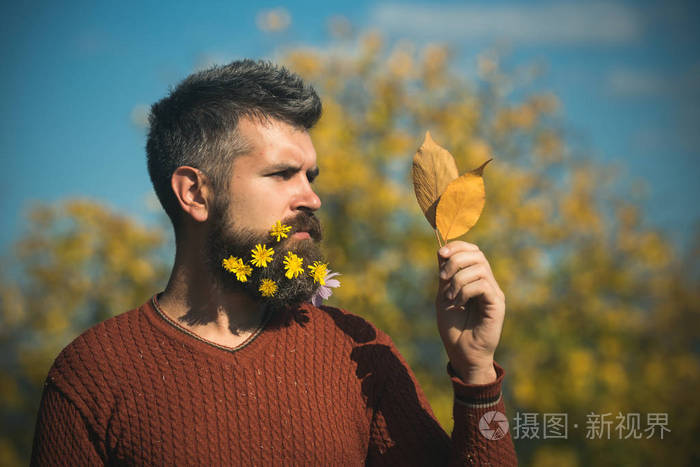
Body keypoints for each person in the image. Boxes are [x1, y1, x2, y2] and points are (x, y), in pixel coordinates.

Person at [31, 59, 517, 466]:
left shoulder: (356, 353)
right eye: (283, 174)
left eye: (311, 175)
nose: (312, 198)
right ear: (195, 193)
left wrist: (476, 379)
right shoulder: (94, 374)